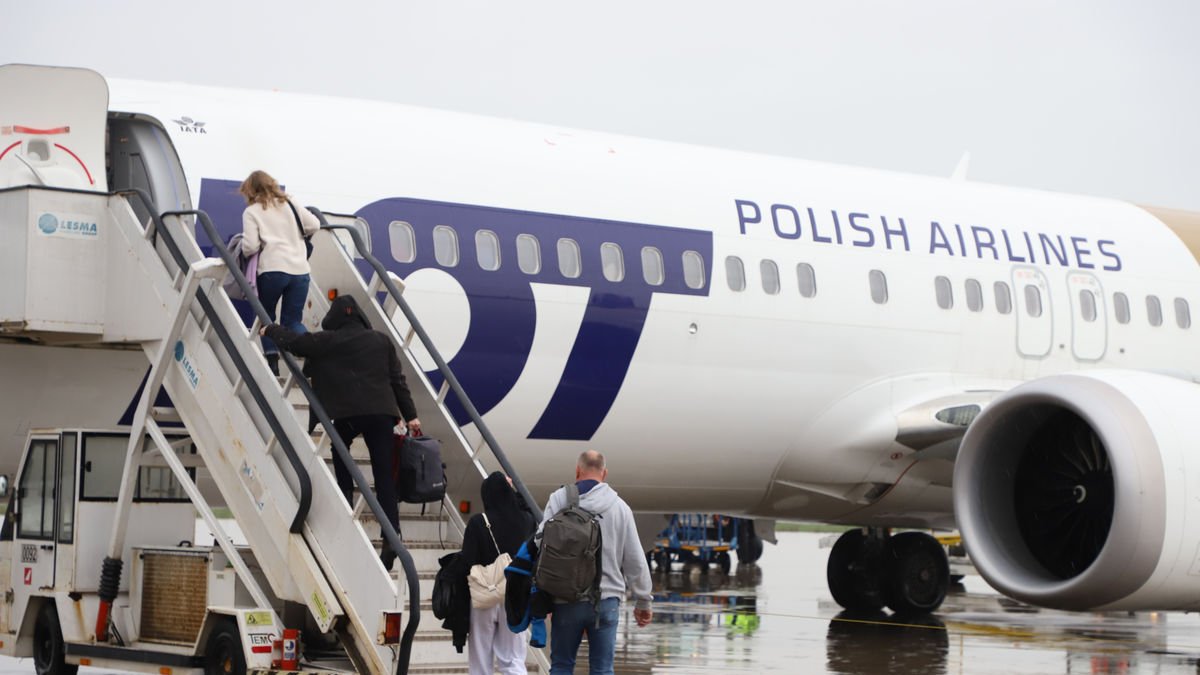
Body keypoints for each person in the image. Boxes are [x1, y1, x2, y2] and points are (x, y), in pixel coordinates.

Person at [263, 295, 422, 570]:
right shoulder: (381, 341)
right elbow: (398, 380)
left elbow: (297, 344)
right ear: (360, 316)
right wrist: (412, 416)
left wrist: (270, 330)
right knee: (384, 476)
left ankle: (346, 502)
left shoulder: (328, 340)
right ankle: (391, 536)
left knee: (340, 448)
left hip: (348, 416)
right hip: (381, 415)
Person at [541, 450, 652, 675]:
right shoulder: (621, 508)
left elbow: (539, 542)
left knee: (562, 665)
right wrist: (643, 601)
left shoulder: (559, 499)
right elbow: (635, 560)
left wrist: (544, 592)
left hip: (566, 598)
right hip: (607, 600)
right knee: (602, 669)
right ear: (605, 473)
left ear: (577, 471)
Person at [453, 472, 537, 675]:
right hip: (515, 597)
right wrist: (513, 489)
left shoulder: (477, 522)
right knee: (513, 659)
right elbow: (528, 506)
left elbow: (467, 562)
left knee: (481, 661)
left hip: (485, 597)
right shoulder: (526, 521)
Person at [240, 169, 320, 375]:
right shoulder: (290, 202)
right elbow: (314, 225)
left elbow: (249, 247)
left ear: (250, 190)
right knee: (293, 321)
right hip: (300, 271)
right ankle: (312, 351)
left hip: (272, 270)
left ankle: (273, 360)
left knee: (266, 316)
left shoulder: (252, 212)